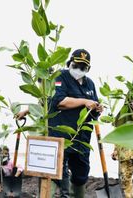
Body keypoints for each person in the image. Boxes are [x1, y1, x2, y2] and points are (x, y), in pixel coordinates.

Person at [48, 49, 103, 198]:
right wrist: (85, 102)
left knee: (81, 175)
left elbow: (93, 108)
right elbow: (60, 102)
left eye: (83, 67)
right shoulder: (60, 77)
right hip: (62, 136)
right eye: (76, 65)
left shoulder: (90, 84)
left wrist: (97, 108)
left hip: (82, 139)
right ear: (70, 63)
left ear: (88, 69)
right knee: (59, 174)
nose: (79, 69)